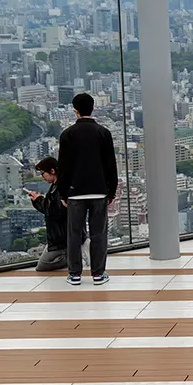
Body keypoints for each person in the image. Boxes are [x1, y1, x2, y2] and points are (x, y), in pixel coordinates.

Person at [56, 92, 118, 286]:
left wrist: (63, 192)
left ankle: (74, 274)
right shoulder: (103, 133)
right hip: (99, 190)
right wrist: (112, 191)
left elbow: (63, 167)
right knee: (98, 233)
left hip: (75, 192)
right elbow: (110, 165)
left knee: (74, 234)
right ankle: (98, 274)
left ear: (75, 111)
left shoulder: (67, 134)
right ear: (93, 108)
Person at [27, 157, 71, 273]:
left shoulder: (60, 188)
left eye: (43, 174)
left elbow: (53, 211)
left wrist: (38, 200)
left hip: (61, 237)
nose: (42, 177)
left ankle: (73, 258)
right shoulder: (56, 186)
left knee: (43, 265)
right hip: (60, 236)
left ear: (52, 171)